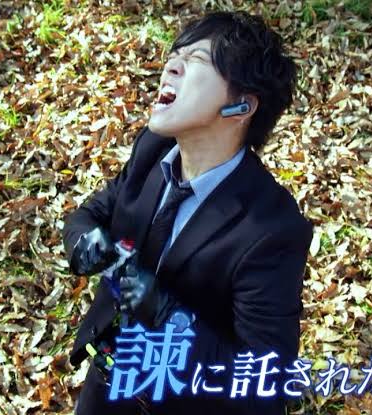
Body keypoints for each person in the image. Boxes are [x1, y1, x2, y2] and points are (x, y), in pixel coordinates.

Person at [62, 10, 313, 415]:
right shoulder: (153, 149)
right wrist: (83, 242)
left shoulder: (271, 227)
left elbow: (264, 382)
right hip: (107, 378)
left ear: (241, 106)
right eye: (174, 56)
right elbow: (91, 214)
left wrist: (167, 314)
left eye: (196, 60)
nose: (170, 67)